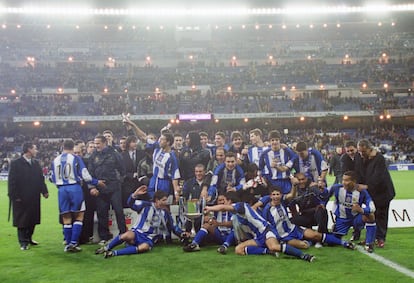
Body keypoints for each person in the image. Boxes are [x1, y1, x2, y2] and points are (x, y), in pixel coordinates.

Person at [203, 193, 315, 262]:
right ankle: (267, 251)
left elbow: (223, 208)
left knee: (275, 246)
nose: (224, 203)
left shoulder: (240, 206)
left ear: (230, 201)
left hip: (266, 230)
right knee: (238, 249)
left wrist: (209, 208)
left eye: (225, 200)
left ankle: (304, 256)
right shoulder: (236, 211)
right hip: (258, 236)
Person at [95, 187, 189, 258]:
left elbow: (173, 227)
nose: (166, 202)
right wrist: (134, 195)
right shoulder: (145, 205)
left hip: (149, 238)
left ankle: (113, 253)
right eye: (163, 200)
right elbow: (130, 204)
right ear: (157, 200)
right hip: (137, 233)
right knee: (126, 235)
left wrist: (182, 233)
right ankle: (106, 248)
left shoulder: (166, 213)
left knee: (144, 247)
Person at [261, 186, 355, 251]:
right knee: (304, 246)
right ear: (270, 196)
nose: (276, 196)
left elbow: (291, 195)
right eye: (273, 194)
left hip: (294, 229)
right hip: (283, 236)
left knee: (316, 235)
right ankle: (307, 242)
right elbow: (266, 226)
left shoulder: (283, 202)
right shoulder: (267, 209)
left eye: (278, 194)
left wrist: (294, 185)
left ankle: (344, 243)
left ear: (281, 195)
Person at [50, 139, 104, 252]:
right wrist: (96, 182)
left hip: (61, 190)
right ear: (72, 147)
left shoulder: (55, 160)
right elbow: (86, 176)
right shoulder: (76, 158)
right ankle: (74, 243)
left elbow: (52, 178)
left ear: (63, 147)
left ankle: (68, 243)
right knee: (79, 215)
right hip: (75, 188)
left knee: (66, 217)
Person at [8, 142, 49, 250]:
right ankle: (23, 242)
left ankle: (29, 238)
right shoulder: (16, 163)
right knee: (22, 220)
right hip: (20, 197)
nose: (36, 151)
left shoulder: (36, 163)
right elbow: (11, 181)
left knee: (33, 219)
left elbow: (41, 179)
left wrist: (44, 191)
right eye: (35, 148)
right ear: (29, 150)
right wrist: (14, 196)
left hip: (34, 196)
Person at [324, 171, 377, 253]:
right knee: (332, 242)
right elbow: (323, 194)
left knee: (370, 215)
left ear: (354, 181)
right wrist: (323, 204)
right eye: (343, 180)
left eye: (346, 180)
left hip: (356, 218)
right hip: (342, 219)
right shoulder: (336, 188)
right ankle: (338, 231)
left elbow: (372, 207)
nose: (344, 182)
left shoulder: (361, 191)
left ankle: (369, 243)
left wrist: (362, 210)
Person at [356, 139, 395, 248]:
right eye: (359, 151)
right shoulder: (363, 158)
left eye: (363, 151)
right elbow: (360, 173)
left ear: (369, 149)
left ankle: (381, 239)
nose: (361, 154)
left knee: (381, 216)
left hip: (383, 193)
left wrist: (366, 186)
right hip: (372, 193)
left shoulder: (379, 159)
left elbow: (378, 177)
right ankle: (370, 238)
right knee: (371, 215)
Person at [88, 134, 127, 244]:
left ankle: (123, 234)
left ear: (104, 143)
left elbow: (122, 169)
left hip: (114, 187)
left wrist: (118, 181)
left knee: (119, 211)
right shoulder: (93, 156)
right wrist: (93, 186)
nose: (96, 146)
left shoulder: (114, 153)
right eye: (95, 144)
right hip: (100, 188)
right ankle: (104, 237)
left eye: (98, 143)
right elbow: (90, 172)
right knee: (102, 213)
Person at [148, 131, 181, 203]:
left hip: (163, 183)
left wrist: (176, 192)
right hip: (154, 180)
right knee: (152, 203)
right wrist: (132, 125)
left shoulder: (172, 158)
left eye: (162, 139)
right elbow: (143, 137)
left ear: (168, 142)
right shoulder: (157, 147)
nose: (159, 140)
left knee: (163, 204)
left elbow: (174, 176)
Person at [120, 135, 146, 207]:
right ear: (128, 143)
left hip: (140, 183)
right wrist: (131, 175)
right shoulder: (122, 155)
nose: (135, 144)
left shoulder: (142, 153)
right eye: (133, 142)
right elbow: (121, 171)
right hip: (128, 184)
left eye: (136, 142)